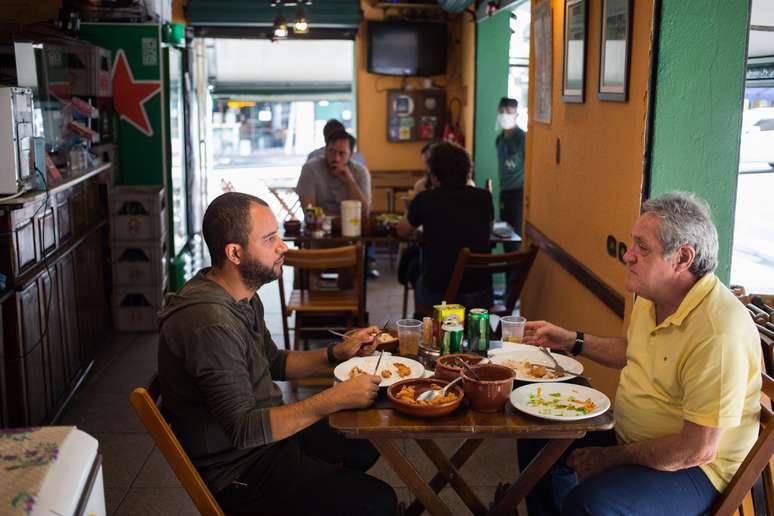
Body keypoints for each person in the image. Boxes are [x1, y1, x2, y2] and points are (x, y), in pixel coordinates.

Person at [518, 192, 761, 516]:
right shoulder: (654, 294)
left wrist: (610, 459)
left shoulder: (718, 332)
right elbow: (638, 350)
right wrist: (572, 340)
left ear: (683, 258)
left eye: (642, 248)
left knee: (589, 506)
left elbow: (696, 450)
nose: (628, 256)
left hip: (696, 471)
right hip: (632, 438)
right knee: (537, 433)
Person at [158, 192, 397, 516]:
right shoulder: (209, 324)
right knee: (380, 502)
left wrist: (337, 353)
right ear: (235, 252)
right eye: (270, 239)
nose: (283, 247)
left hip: (266, 442)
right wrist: (335, 398)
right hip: (241, 472)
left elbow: (273, 362)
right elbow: (244, 430)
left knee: (365, 442)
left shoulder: (239, 294)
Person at [397, 141, 494, 314]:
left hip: (439, 294)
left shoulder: (426, 199)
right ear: (467, 172)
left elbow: (403, 230)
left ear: (434, 176)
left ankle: (424, 326)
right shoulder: (485, 197)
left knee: (415, 272)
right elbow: (489, 229)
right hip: (480, 294)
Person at [297, 129, 379, 278]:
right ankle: (311, 298)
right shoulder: (310, 168)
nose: (335, 158)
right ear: (325, 150)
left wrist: (349, 180)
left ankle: (348, 298)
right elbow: (309, 211)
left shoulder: (359, 172)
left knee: (352, 262)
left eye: (342, 154)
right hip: (318, 235)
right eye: (331, 152)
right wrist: (340, 220)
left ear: (351, 155)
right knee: (306, 265)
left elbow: (365, 212)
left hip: (350, 238)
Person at [496, 97, 525, 249]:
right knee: (504, 238)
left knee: (515, 241)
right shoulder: (499, 139)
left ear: (516, 115)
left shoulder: (522, 138)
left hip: (518, 193)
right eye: (501, 112)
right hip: (504, 193)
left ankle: (515, 273)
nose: (504, 115)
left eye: (508, 112)